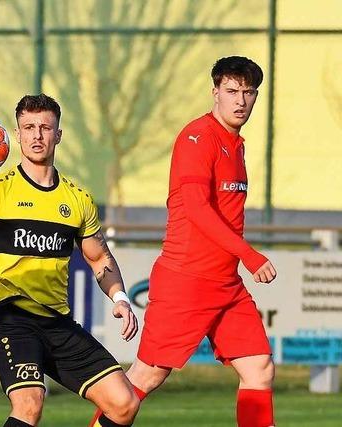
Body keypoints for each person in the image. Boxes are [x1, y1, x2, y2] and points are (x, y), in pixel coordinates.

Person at [0, 94, 142, 427]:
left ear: (58, 134)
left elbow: (99, 259)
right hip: (11, 316)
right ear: (17, 134)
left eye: (44, 127)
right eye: (28, 128)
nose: (37, 135)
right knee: (29, 403)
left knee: (124, 403)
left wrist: (121, 299)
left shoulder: (77, 200)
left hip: (57, 320)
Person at [88, 56, 278, 427]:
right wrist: (249, 254)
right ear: (215, 92)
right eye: (231, 91)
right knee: (145, 377)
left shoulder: (236, 145)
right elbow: (195, 208)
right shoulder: (198, 137)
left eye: (249, 92)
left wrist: (238, 261)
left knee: (259, 369)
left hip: (225, 284)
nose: (240, 100)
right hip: (186, 281)